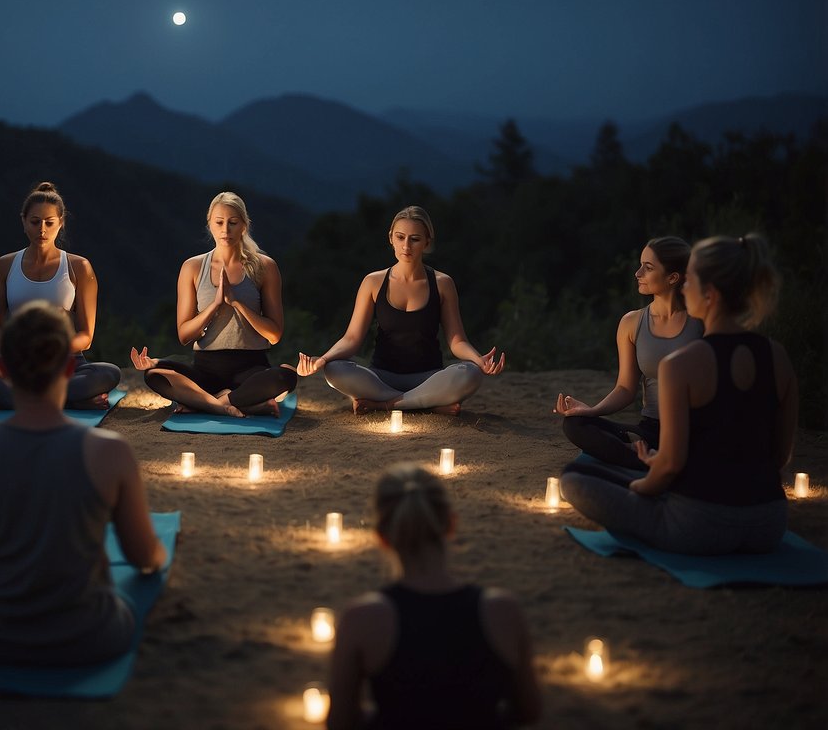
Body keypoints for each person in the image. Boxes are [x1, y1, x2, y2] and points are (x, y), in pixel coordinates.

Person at [0, 300, 166, 665]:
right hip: (88, 635)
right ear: (69, 367)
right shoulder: (110, 452)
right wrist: (159, 553)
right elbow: (144, 557)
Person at [561, 234, 798, 555]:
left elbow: (671, 465)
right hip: (770, 525)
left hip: (698, 525)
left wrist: (641, 486)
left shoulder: (681, 365)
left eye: (691, 281)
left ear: (710, 294)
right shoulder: (778, 356)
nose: (685, 287)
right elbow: (781, 457)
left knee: (574, 478)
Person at [327, 463, 542, 730]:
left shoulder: (362, 619)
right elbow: (529, 710)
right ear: (450, 525)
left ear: (382, 537)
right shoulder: (504, 611)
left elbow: (341, 722)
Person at [296, 205, 503, 415]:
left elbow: (457, 341)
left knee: (471, 373)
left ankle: (385, 405)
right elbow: (351, 339)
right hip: (381, 377)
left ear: (427, 242)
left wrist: (479, 360)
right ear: (391, 238)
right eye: (400, 237)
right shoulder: (373, 282)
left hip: (428, 377)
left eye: (414, 239)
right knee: (334, 369)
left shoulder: (443, 283)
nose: (406, 246)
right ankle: (424, 404)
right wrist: (322, 359)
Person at [130, 191, 297, 417]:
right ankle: (229, 403)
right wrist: (215, 305)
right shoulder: (193, 267)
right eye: (219, 223)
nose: (225, 230)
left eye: (233, 223)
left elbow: (274, 334)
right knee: (154, 374)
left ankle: (208, 402)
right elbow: (184, 335)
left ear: (244, 226)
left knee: (285, 376)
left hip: (251, 368)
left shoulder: (265, 267)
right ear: (210, 225)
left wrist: (237, 303)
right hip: (205, 369)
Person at [0, 181, 121, 410]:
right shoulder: (5, 265)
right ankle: (62, 400)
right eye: (34, 222)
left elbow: (86, 335)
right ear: (23, 222)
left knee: (108, 373)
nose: (42, 230)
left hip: (66, 364)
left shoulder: (79, 267)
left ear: (60, 223)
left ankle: (13, 399)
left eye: (49, 223)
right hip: (20, 363)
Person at [554, 237, 703, 468]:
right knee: (575, 424)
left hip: (695, 429)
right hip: (652, 429)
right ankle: (648, 458)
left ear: (673, 277)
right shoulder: (631, 323)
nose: (637, 273)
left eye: (648, 267)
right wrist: (591, 411)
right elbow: (625, 388)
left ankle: (651, 460)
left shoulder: (702, 322)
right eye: (640, 264)